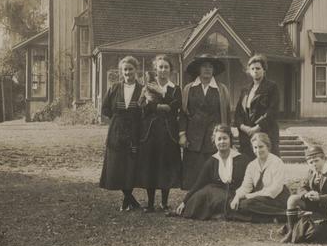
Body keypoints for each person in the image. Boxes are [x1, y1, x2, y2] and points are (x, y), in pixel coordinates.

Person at [179, 56, 232, 191]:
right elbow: (183, 114)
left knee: (212, 176)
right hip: (193, 139)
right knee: (193, 178)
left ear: (214, 70)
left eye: (210, 67)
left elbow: (226, 115)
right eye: (204, 66)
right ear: (198, 69)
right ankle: (192, 201)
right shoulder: (189, 89)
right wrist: (182, 134)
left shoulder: (221, 89)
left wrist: (226, 136)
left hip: (213, 139)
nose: (207, 69)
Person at [137, 55, 182, 212]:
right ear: (155, 69)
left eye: (166, 67)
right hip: (150, 132)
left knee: (165, 165)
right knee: (151, 165)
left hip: (168, 132)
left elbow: (175, 105)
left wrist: (158, 99)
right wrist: (157, 106)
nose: (163, 70)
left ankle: (164, 202)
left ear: (170, 70)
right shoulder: (147, 87)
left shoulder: (175, 89)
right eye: (160, 67)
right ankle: (150, 203)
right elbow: (142, 106)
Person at [280, 144, 327, 246]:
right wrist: (306, 194)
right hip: (316, 205)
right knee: (292, 199)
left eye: (316, 161)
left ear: (324, 159)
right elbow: (301, 187)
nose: (314, 164)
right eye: (311, 162)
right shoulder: (311, 172)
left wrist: (320, 197)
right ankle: (291, 231)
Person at [99, 56, 144, 211]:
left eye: (130, 69)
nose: (128, 72)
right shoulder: (114, 88)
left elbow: (145, 110)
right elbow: (105, 109)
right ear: (121, 71)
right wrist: (118, 118)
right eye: (125, 69)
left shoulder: (142, 89)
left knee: (130, 165)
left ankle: (128, 200)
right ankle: (130, 200)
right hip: (116, 131)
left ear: (136, 70)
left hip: (134, 131)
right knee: (117, 165)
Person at [175, 124, 247, 220]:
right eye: (219, 139)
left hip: (236, 193)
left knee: (241, 204)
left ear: (230, 139)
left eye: (225, 138)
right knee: (200, 197)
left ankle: (223, 212)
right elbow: (199, 183)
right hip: (216, 193)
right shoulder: (212, 161)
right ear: (214, 141)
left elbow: (247, 183)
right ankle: (220, 213)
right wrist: (184, 202)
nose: (222, 142)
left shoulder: (241, 159)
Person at [230, 132, 290, 222]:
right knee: (239, 204)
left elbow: (275, 190)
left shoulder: (276, 162)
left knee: (247, 204)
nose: (258, 150)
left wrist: (250, 196)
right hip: (261, 199)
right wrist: (237, 197)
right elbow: (246, 187)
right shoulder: (251, 165)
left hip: (277, 197)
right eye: (255, 147)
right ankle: (274, 218)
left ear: (268, 147)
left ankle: (283, 213)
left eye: (261, 147)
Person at [235, 54, 281, 158]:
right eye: (252, 69)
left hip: (265, 132)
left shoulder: (272, 87)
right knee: (248, 163)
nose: (255, 71)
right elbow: (238, 112)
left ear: (264, 70)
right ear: (249, 71)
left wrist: (257, 128)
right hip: (247, 135)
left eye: (258, 68)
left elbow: (272, 111)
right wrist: (244, 127)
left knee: (268, 163)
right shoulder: (245, 90)